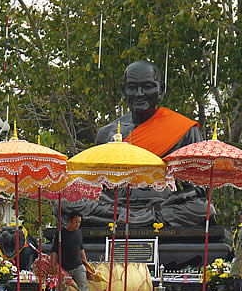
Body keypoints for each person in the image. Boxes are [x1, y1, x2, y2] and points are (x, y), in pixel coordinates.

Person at [63, 60, 214, 228]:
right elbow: (95, 184)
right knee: (66, 205)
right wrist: (108, 202)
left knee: (204, 209)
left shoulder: (183, 130)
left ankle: (131, 219)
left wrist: (173, 199)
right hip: (116, 206)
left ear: (161, 90)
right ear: (123, 91)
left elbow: (200, 186)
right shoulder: (107, 133)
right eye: (132, 87)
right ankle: (138, 219)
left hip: (163, 204)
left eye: (148, 86)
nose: (139, 93)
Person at [50, 214, 92, 291]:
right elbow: (54, 251)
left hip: (78, 266)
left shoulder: (79, 233)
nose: (77, 224)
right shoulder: (60, 233)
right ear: (70, 220)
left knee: (83, 288)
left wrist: (86, 264)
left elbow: (81, 249)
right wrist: (53, 266)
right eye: (76, 222)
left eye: (79, 222)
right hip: (63, 268)